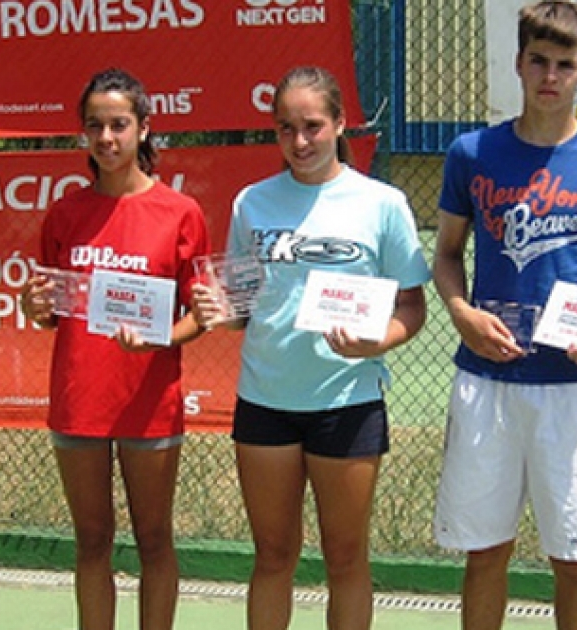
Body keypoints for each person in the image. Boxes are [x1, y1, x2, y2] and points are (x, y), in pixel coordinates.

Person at [191, 66, 430, 630]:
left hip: (346, 402)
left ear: (341, 123)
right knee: (273, 556)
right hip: (266, 400)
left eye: (313, 126)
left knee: (345, 559)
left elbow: (412, 308)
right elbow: (242, 303)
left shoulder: (383, 203)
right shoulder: (253, 202)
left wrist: (378, 340)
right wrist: (220, 314)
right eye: (285, 128)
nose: (299, 142)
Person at [430, 2, 577, 629]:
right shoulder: (473, 152)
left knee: (575, 559)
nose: (551, 76)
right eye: (539, 62)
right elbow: (445, 254)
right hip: (487, 379)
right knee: (485, 552)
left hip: (572, 387)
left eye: (566, 65)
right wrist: (461, 311)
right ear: (520, 63)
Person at [19, 68, 211, 630]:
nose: (106, 138)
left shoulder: (180, 213)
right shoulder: (65, 214)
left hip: (150, 404)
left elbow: (200, 316)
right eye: (95, 126)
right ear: (83, 134)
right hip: (80, 401)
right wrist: (36, 311)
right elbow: (51, 313)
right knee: (91, 542)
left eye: (119, 125)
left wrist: (160, 336)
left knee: (154, 541)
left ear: (144, 129)